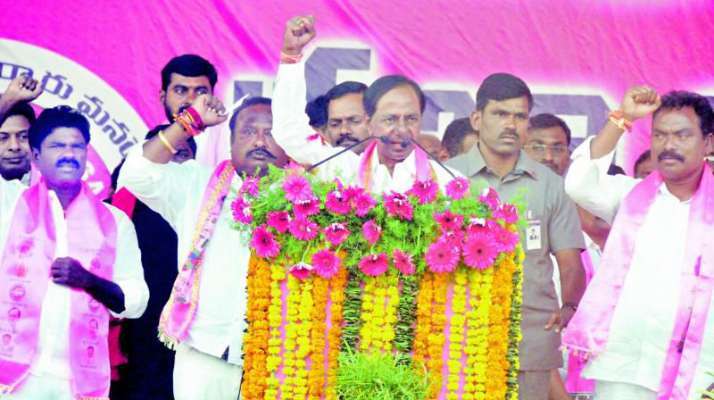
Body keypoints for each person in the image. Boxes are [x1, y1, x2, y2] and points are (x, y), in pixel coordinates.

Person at [119, 89, 288, 399]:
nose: (261, 141)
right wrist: (189, 122)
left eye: (272, 133)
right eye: (249, 131)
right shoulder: (195, 184)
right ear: (231, 140)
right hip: (203, 354)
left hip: (279, 359)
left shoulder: (310, 200)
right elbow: (136, 175)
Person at [563, 87, 714, 399]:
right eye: (659, 135)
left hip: (697, 370)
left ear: (708, 143)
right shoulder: (629, 196)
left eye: (682, 135)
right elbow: (578, 183)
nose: (668, 145)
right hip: (623, 365)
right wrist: (623, 118)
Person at [446, 72, 586, 400]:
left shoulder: (550, 184)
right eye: (500, 114)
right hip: (459, 335)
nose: (511, 125)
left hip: (530, 338)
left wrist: (569, 307)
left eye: (520, 116)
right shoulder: (448, 178)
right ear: (477, 119)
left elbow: (570, 261)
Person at [0, 106, 148, 399]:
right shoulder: (9, 204)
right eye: (57, 146)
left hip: (79, 383)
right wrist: (11, 99)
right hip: (11, 380)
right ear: (36, 156)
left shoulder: (115, 222)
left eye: (77, 146)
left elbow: (136, 301)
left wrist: (89, 280)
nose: (69, 153)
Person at [272, 16, 454, 191]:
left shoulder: (448, 181)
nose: (401, 129)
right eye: (390, 119)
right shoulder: (342, 170)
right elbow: (290, 133)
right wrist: (291, 56)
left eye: (411, 119)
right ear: (370, 123)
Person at [111, 124, 197, 400]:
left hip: (191, 333)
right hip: (135, 335)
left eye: (181, 154)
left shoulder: (209, 207)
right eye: (163, 152)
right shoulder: (112, 213)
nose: (170, 163)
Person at [158, 54, 228, 166]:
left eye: (201, 92)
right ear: (163, 97)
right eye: (180, 91)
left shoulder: (229, 136)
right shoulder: (155, 139)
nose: (191, 100)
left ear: (212, 97)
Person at [0, 75, 43, 183]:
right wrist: (9, 99)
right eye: (2, 138)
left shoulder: (53, 189)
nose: (14, 146)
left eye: (24, 137)